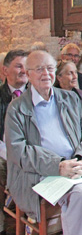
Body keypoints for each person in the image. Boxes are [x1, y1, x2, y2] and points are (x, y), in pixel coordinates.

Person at [5, 50, 82, 235]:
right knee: (81, 192)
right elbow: (17, 151)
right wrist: (58, 166)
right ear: (28, 74)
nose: (46, 74)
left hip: (77, 164)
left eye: (49, 68)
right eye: (39, 69)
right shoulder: (17, 108)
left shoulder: (70, 98)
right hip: (40, 172)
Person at [0, 49, 29, 235]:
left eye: (27, 66)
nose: (24, 70)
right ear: (5, 70)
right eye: (18, 66)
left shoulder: (37, 95)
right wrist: (12, 155)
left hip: (32, 151)